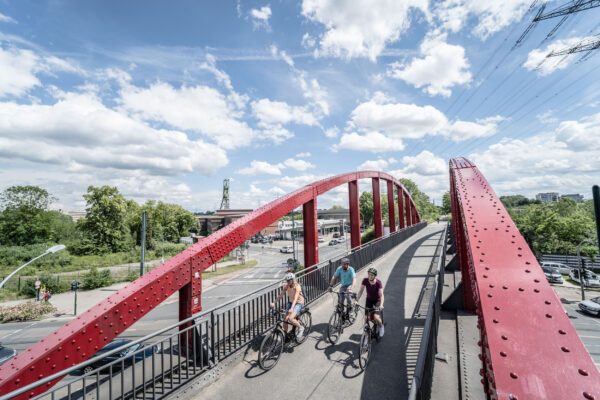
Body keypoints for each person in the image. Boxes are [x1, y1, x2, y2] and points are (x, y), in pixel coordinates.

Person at [271, 272, 305, 340]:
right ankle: (286, 335)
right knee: (285, 319)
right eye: (287, 281)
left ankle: (301, 327)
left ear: (292, 280)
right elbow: (281, 295)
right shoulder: (287, 286)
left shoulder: (297, 286)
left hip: (298, 303)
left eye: (289, 280)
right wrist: (274, 302)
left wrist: (292, 308)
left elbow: (295, 298)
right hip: (291, 302)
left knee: (291, 318)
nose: (288, 282)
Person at [355, 267, 385, 337]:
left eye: (371, 275)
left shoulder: (378, 282)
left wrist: (381, 305)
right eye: (369, 274)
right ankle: (366, 338)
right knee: (366, 318)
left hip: (377, 301)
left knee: (376, 317)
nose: (370, 276)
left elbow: (382, 295)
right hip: (369, 300)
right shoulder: (365, 280)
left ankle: (381, 326)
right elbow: (360, 291)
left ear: (375, 276)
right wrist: (356, 300)